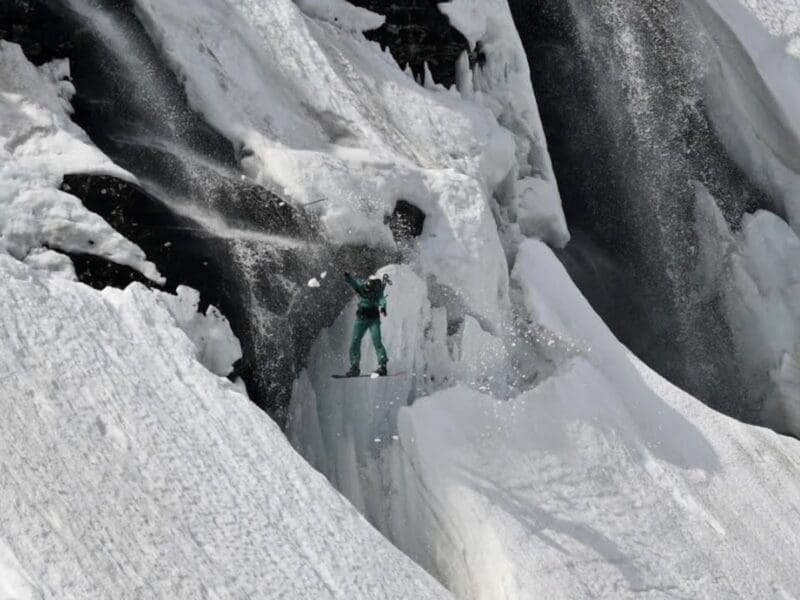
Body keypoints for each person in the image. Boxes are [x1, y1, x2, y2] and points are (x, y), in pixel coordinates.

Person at [344, 272, 391, 376]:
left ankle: (382, 366)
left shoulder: (377, 291)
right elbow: (353, 283)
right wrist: (348, 277)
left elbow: (382, 299)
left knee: (377, 341)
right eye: (367, 290)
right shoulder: (361, 287)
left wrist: (383, 307)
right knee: (355, 341)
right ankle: (354, 367)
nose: (369, 293)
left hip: (374, 319)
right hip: (361, 319)